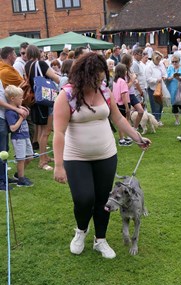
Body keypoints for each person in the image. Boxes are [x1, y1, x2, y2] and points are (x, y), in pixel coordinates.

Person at [53, 52, 151, 258]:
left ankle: (100, 240)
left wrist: (137, 137)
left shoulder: (104, 91)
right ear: (84, 76)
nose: (101, 80)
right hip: (76, 157)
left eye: (102, 76)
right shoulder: (67, 95)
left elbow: (118, 118)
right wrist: (59, 165)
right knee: (83, 198)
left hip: (106, 155)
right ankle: (81, 231)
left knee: (103, 201)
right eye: (96, 77)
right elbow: (59, 132)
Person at [25, 44, 60, 170]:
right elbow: (55, 78)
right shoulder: (41, 64)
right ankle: (42, 161)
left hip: (35, 100)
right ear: (38, 53)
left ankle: (44, 156)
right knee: (46, 131)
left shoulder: (27, 65)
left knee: (40, 130)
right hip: (46, 100)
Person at [0, 80, 29, 191]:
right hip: (1, 118)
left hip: (2, 117)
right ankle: (1, 181)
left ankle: (4, 177)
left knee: (4, 150)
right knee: (2, 150)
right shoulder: (11, 111)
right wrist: (15, 108)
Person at [4, 85, 33, 187]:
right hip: (18, 138)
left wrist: (21, 107)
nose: (22, 99)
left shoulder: (18, 109)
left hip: (25, 136)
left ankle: (18, 174)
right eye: (20, 97)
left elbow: (27, 112)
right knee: (21, 159)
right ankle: (21, 179)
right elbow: (12, 128)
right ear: (12, 99)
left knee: (30, 156)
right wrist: (21, 118)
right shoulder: (10, 113)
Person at [121, 53, 144, 131]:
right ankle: (127, 131)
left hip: (132, 94)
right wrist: (133, 79)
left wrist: (141, 91)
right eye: (130, 61)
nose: (132, 63)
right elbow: (126, 87)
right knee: (127, 114)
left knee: (141, 111)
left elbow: (135, 83)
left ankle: (135, 128)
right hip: (126, 95)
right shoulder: (122, 72)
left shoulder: (131, 70)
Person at [145, 51, 167, 124]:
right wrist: (156, 80)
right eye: (158, 60)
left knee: (160, 105)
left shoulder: (161, 64)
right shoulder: (149, 66)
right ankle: (155, 121)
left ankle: (158, 119)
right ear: (154, 59)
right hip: (152, 88)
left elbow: (164, 73)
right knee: (155, 105)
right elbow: (148, 79)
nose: (159, 61)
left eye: (160, 59)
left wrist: (164, 77)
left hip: (160, 87)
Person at [112, 63, 132, 146]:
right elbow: (123, 95)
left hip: (117, 103)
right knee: (124, 121)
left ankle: (124, 136)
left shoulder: (115, 81)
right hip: (123, 104)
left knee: (122, 121)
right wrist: (127, 107)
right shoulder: (123, 81)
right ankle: (121, 139)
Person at [166, 54, 181, 125]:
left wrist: (180, 78)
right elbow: (167, 78)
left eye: (176, 61)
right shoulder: (170, 68)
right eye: (173, 62)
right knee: (174, 104)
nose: (174, 63)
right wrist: (172, 76)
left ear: (179, 61)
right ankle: (177, 120)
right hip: (173, 88)